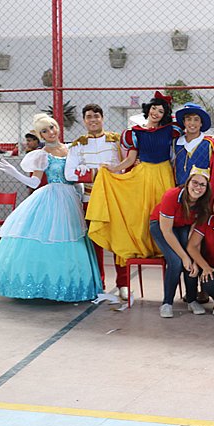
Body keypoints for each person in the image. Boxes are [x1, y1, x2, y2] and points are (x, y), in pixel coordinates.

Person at [0, 114, 102, 301]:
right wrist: (15, 173)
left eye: (52, 127)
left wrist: (80, 192)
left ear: (57, 127)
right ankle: (42, 286)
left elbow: (76, 176)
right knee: (48, 236)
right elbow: (34, 181)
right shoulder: (42, 155)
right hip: (52, 197)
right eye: (44, 131)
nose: (50, 133)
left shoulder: (72, 148)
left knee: (72, 238)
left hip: (71, 199)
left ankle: (70, 284)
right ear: (41, 135)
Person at [87, 92, 181, 265]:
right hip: (143, 174)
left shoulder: (170, 130)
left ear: (165, 115)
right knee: (142, 212)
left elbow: (185, 131)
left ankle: (163, 247)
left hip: (164, 174)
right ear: (148, 109)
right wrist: (113, 169)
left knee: (162, 209)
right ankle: (143, 246)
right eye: (154, 108)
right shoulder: (135, 133)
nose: (156, 113)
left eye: (161, 111)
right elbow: (130, 159)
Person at [65, 104, 127, 297]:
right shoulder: (77, 144)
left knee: (119, 241)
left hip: (115, 197)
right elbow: (69, 174)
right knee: (94, 242)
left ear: (102, 118)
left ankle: (123, 284)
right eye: (89, 117)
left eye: (96, 116)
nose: (93, 120)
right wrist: (98, 173)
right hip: (90, 198)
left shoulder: (117, 140)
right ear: (84, 120)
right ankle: (98, 283)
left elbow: (128, 165)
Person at [150, 167, 211, 318]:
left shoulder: (205, 203)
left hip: (183, 226)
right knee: (176, 261)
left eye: (202, 185)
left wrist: (194, 259)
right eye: (195, 183)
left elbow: (196, 236)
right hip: (161, 226)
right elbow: (167, 231)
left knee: (191, 262)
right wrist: (183, 256)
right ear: (188, 182)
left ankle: (191, 300)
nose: (198, 187)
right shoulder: (172, 195)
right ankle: (167, 303)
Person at [174, 102, 214, 194]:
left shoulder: (210, 144)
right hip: (179, 192)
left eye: (196, 119)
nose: (192, 123)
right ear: (184, 122)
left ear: (201, 123)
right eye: (188, 119)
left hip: (201, 194)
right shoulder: (175, 143)